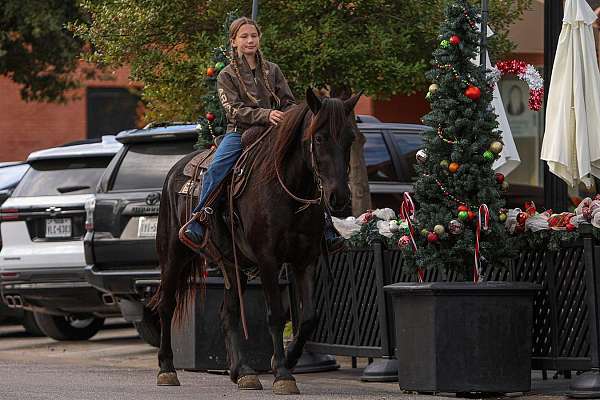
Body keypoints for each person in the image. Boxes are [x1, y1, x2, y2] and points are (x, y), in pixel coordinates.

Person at [180, 17, 345, 253]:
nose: (250, 40)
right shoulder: (226, 75)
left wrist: (287, 116)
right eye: (244, 37)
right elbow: (233, 110)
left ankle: (326, 226)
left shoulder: (273, 70)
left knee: (308, 163)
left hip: (275, 132)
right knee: (217, 167)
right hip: (240, 132)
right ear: (234, 42)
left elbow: (288, 101)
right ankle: (201, 217)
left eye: (253, 36)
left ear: (259, 39)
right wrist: (265, 115)